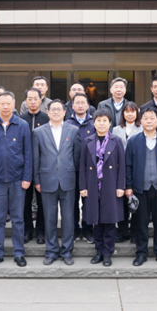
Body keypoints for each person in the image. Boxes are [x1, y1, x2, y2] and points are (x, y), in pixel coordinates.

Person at [0, 91, 32, 268]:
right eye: (1, 103)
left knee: (18, 218)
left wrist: (27, 177)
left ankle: (19, 253)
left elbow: (28, 153)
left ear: (14, 105)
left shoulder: (22, 125)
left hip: (18, 180)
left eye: (8, 103)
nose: (5, 106)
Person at [125, 107, 157, 267]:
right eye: (145, 118)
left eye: (152, 118)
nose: (148, 121)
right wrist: (129, 186)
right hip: (140, 189)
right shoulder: (133, 141)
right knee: (141, 223)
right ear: (141, 121)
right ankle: (141, 253)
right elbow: (128, 165)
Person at [32, 99, 81, 266]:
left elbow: (77, 157)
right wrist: (37, 180)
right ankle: (51, 251)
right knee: (49, 218)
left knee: (68, 218)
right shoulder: (38, 132)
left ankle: (67, 251)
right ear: (47, 112)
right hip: (47, 180)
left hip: (68, 180)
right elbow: (36, 158)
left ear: (65, 112)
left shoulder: (73, 130)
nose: (56, 112)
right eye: (53, 109)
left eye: (59, 109)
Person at [80, 110, 126, 267]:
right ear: (94, 123)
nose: (101, 123)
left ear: (110, 123)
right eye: (98, 120)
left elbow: (122, 166)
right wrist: (83, 186)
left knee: (109, 221)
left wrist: (121, 186)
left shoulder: (116, 140)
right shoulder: (88, 141)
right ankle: (98, 251)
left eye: (104, 120)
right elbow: (82, 166)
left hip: (110, 185)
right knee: (96, 221)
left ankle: (107, 253)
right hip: (92, 185)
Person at [64, 92, 95, 243]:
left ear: (88, 105)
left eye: (83, 102)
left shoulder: (94, 122)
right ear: (72, 106)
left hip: (90, 170)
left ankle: (88, 229)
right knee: (72, 202)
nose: (80, 105)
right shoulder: (67, 123)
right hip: (71, 169)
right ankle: (75, 230)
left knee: (88, 202)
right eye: (77, 103)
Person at [19, 88, 48, 244]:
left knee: (43, 200)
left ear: (40, 100)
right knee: (25, 201)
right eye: (29, 99)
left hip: (43, 165)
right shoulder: (20, 120)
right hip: (23, 166)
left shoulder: (47, 118)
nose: (32, 102)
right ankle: (27, 230)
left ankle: (41, 231)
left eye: (35, 98)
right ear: (25, 101)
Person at [111, 101, 143, 243]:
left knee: (136, 201)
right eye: (127, 111)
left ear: (137, 113)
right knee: (121, 202)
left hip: (136, 170)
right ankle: (123, 231)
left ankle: (135, 232)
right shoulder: (116, 129)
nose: (130, 114)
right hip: (118, 170)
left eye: (132, 111)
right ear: (123, 113)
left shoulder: (142, 128)